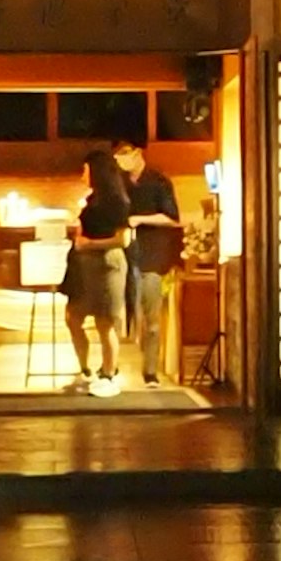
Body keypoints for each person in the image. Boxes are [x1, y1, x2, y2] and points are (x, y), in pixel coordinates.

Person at [64, 147, 133, 387]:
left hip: (107, 263)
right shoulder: (91, 199)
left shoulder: (118, 200)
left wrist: (90, 243)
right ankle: (84, 368)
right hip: (84, 266)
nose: (82, 174)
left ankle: (109, 371)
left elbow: (123, 239)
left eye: (85, 170)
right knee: (73, 317)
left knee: (105, 322)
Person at [123, 138, 187, 389]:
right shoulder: (119, 182)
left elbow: (172, 217)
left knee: (151, 317)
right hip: (125, 254)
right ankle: (111, 367)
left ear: (138, 152)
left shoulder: (159, 181)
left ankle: (150, 371)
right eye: (117, 156)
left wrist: (139, 219)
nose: (121, 160)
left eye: (125, 153)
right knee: (123, 315)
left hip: (153, 255)